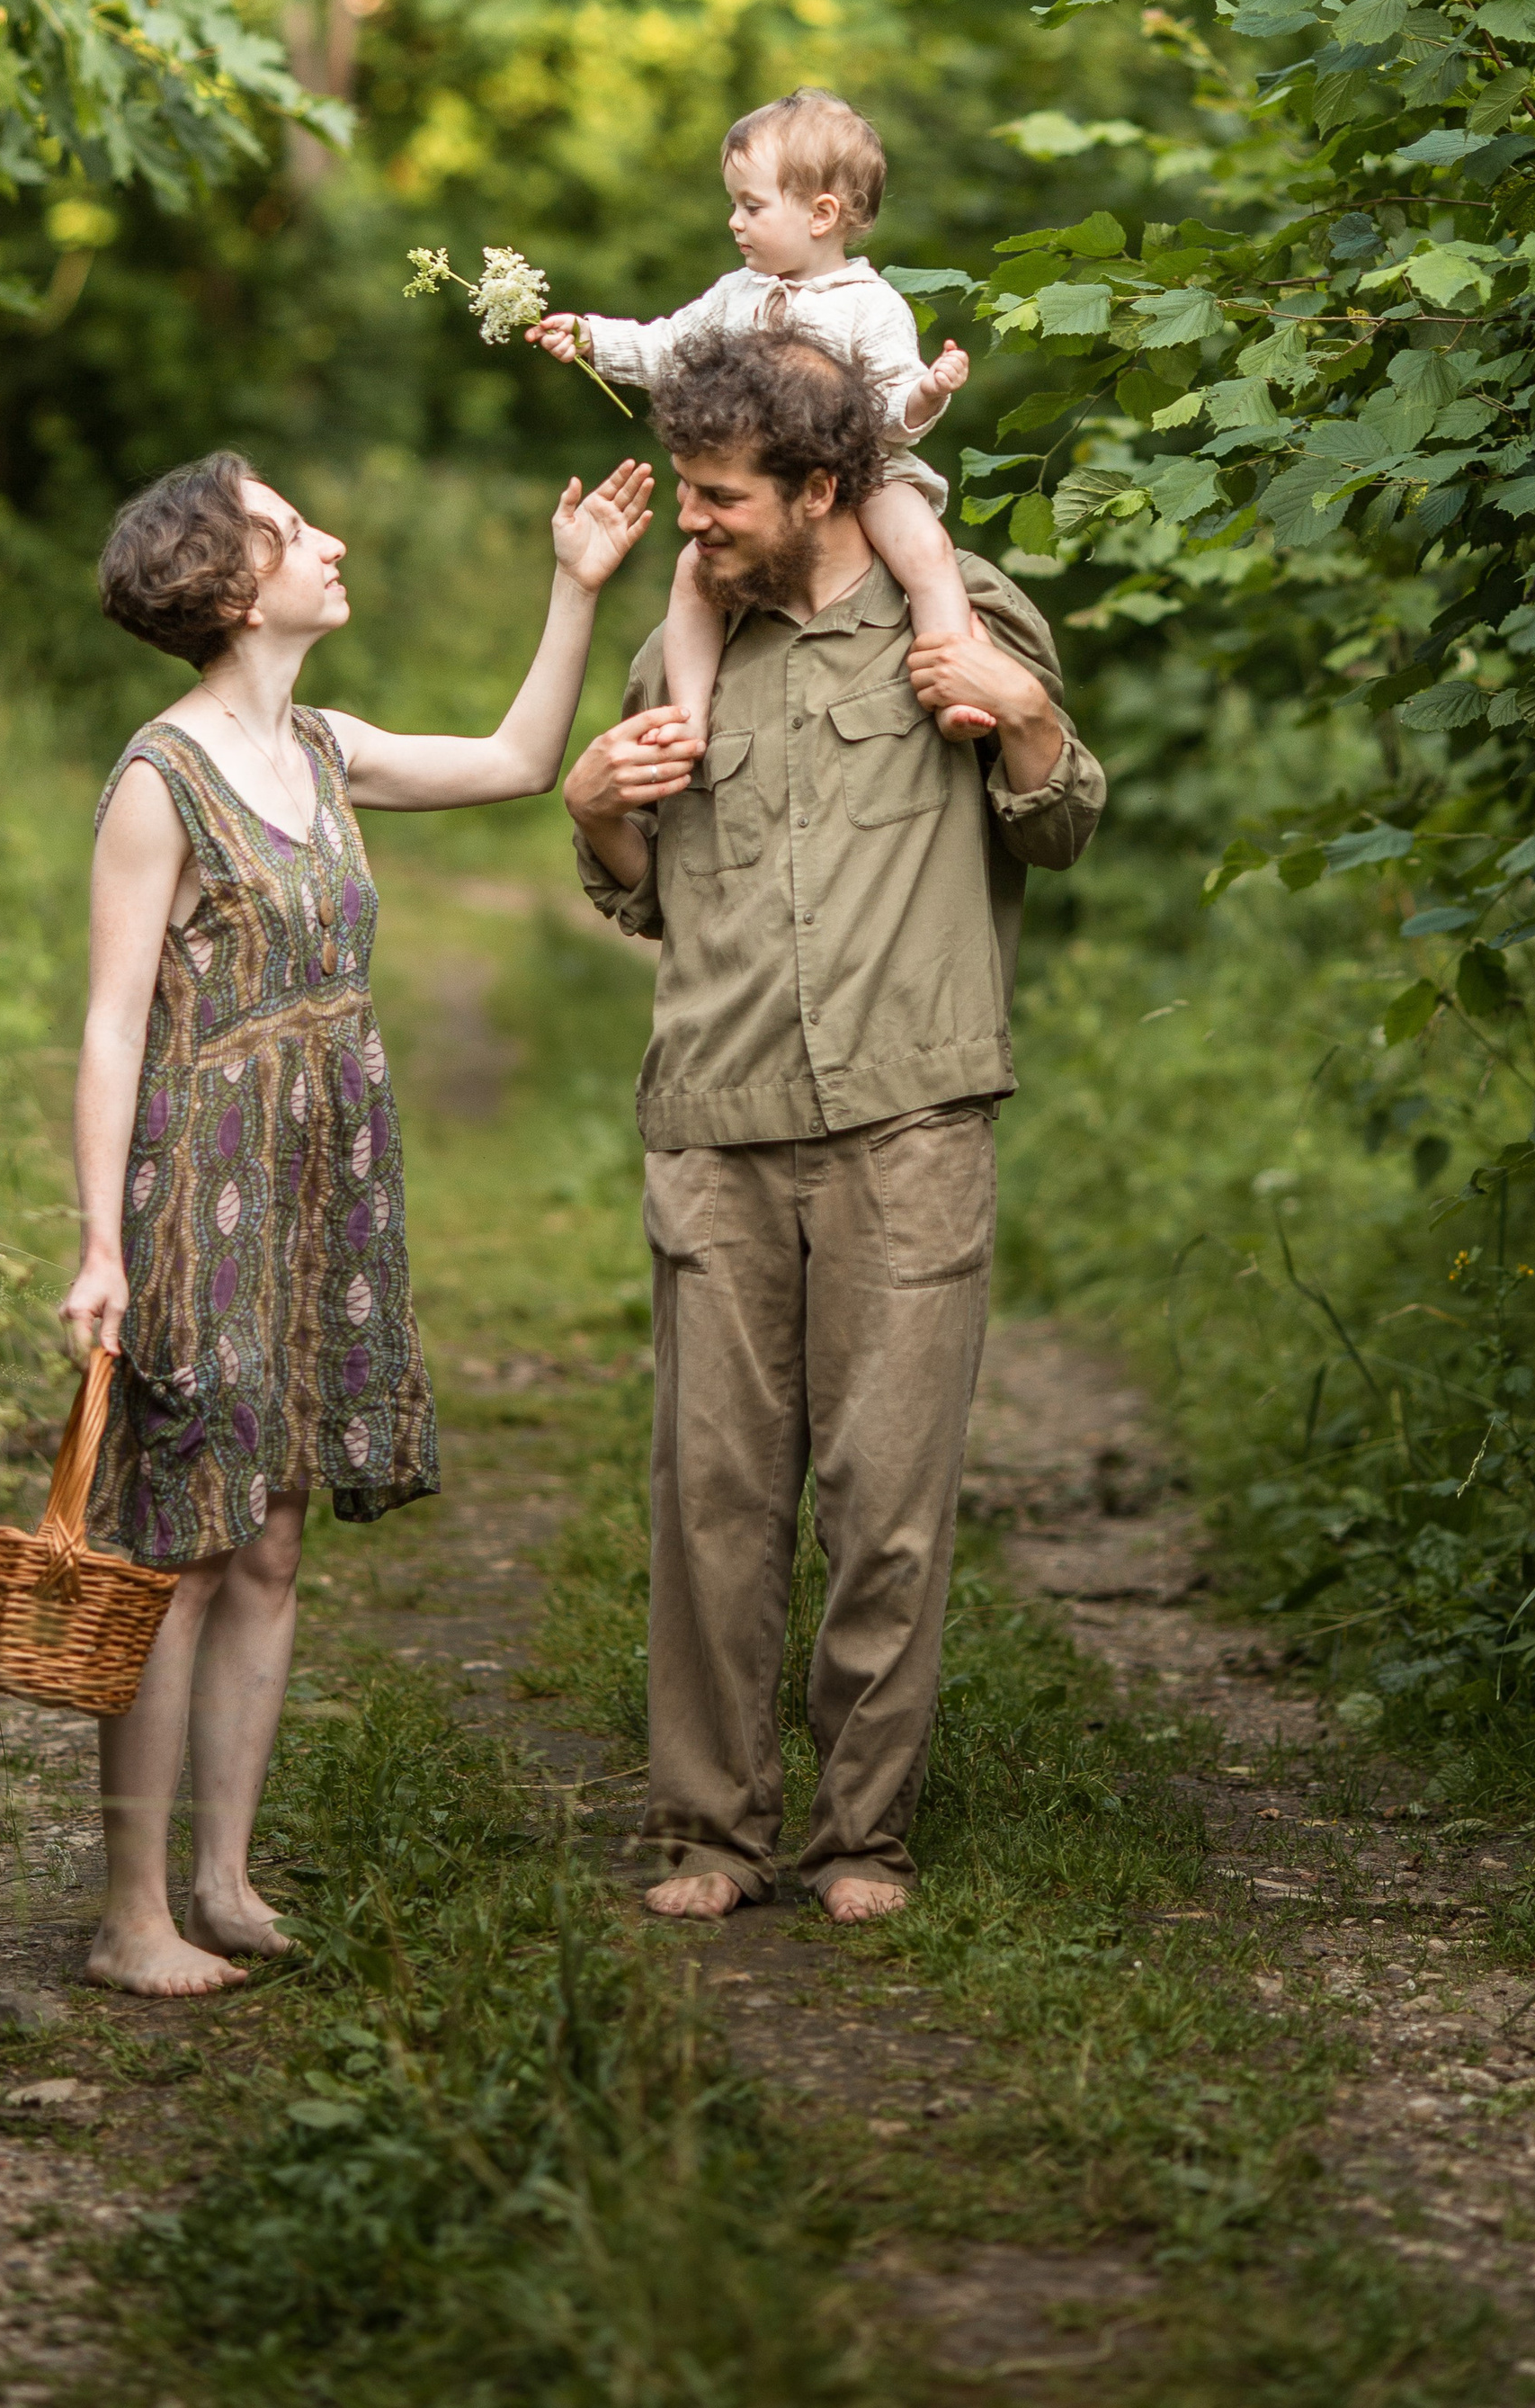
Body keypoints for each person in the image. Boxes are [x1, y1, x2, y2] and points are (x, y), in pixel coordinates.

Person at [58, 446, 655, 1996]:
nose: (330, 539)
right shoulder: (159, 778)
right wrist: (102, 1245)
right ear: (233, 584)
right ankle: (132, 1915)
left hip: (326, 1165)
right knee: (175, 1541)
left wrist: (574, 583)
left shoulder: (323, 745)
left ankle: (225, 1877)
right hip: (203, 1175)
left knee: (268, 1535)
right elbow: (114, 1023)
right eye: (289, 525)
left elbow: (527, 757)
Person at [562, 328, 1104, 1924]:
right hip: (714, 1117)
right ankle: (711, 1831)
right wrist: (600, 812)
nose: (692, 522)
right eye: (686, 489)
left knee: (886, 1497)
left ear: (820, 487)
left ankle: (862, 1833)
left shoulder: (966, 614)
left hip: (909, 1115)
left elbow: (1063, 826)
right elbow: (649, 892)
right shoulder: (683, 656)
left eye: (722, 496)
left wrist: (1022, 715)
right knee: (714, 1495)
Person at [529, 85, 995, 744]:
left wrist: (927, 392)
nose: (734, 222)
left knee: (925, 549)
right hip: (766, 485)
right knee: (693, 574)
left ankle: (951, 677)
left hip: (866, 471)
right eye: (734, 205)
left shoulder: (871, 304)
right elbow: (666, 350)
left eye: (751, 205)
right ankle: (689, 717)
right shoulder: (734, 295)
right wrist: (590, 340)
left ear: (821, 213)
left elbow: (892, 408)